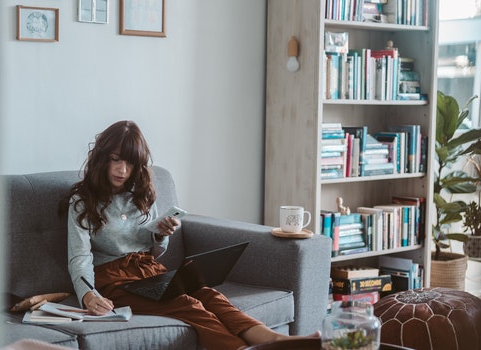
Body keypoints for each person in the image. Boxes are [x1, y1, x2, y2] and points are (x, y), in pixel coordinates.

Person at [61, 120, 318, 350]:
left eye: (130, 162)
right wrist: (89, 295)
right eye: (116, 159)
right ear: (103, 158)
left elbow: (152, 249)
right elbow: (79, 256)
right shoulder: (82, 201)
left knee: (208, 294)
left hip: (149, 270)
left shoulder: (140, 195)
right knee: (188, 305)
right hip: (113, 281)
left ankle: (274, 341)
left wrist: (160, 235)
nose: (122, 170)